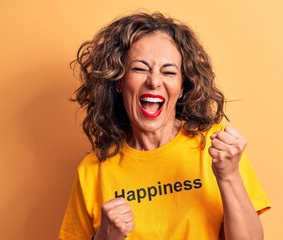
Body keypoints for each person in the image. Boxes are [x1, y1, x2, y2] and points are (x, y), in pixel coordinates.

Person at [59, 12, 270, 240]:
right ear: (118, 80)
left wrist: (228, 175)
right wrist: (104, 238)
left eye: (169, 72)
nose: (154, 81)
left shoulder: (216, 147)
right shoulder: (92, 170)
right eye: (140, 68)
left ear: (181, 87)